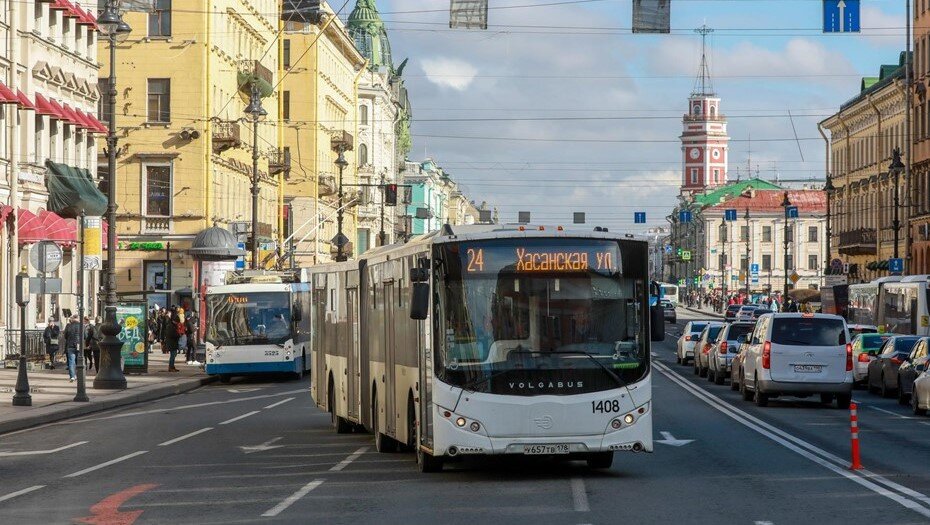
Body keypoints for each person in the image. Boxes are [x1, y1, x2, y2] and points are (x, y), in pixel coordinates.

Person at [63, 315, 82, 382]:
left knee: (71, 361)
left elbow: (65, 335)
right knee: (79, 360)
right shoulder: (81, 326)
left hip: (70, 345)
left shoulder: (69, 326)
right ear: (78, 319)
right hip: (79, 345)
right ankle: (79, 375)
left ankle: (72, 376)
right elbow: (85, 335)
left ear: (73, 319)